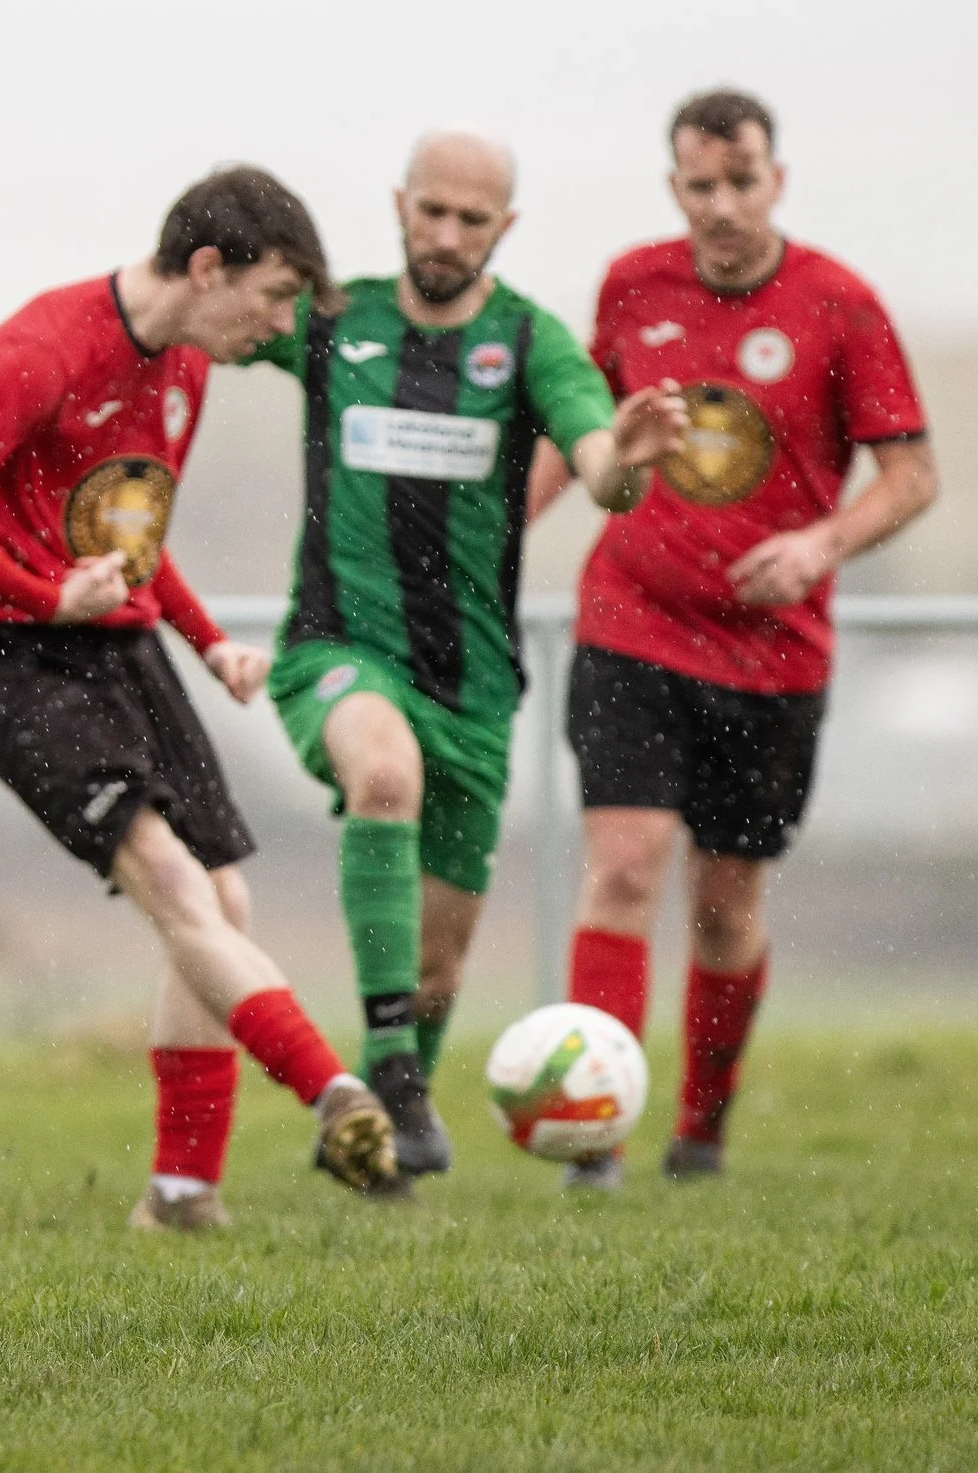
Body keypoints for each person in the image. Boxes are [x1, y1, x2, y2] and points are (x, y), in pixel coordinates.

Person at [0, 166, 399, 1233]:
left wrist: (210, 644)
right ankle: (332, 1091)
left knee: (223, 900)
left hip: (113, 639)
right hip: (7, 646)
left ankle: (178, 1194)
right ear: (208, 266)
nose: (275, 322)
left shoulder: (182, 365)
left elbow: (126, 531)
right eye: (271, 293)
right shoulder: (44, 343)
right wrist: (42, 594)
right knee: (171, 878)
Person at [239, 130, 684, 1181]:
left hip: (473, 684)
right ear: (399, 203)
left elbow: (599, 466)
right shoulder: (333, 317)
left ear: (504, 228)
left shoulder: (530, 343)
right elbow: (182, 322)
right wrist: (34, 352)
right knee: (381, 772)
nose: (444, 234)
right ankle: (392, 1078)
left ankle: (390, 1119)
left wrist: (624, 461)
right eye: (429, 210)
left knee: (435, 969)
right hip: (336, 649)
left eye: (469, 219)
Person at [537, 89, 938, 1189]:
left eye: (741, 179)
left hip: (771, 655)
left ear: (777, 179)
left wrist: (820, 544)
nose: (722, 204)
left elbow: (910, 476)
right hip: (630, 621)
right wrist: (492, 539)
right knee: (620, 869)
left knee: (725, 902)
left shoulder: (839, 305)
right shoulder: (630, 284)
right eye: (699, 185)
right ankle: (594, 1138)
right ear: (674, 189)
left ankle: (700, 1130)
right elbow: (585, 433)